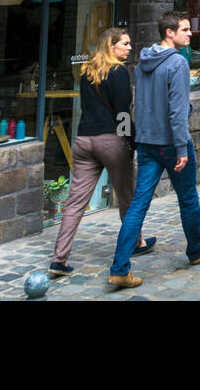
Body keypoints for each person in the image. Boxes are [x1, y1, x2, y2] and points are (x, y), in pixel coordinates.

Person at [108, 11, 200, 289]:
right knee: (187, 197)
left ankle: (120, 268)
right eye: (184, 29)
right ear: (168, 33)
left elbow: (142, 102)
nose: (190, 33)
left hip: (148, 143)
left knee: (138, 204)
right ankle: (196, 250)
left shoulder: (142, 61)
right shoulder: (178, 64)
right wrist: (181, 147)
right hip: (172, 143)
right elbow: (177, 111)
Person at [50, 28, 151, 277]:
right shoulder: (119, 73)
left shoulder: (88, 71)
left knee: (75, 203)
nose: (130, 48)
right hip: (110, 141)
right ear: (111, 46)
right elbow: (123, 113)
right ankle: (137, 243)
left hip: (84, 140)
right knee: (127, 197)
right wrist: (132, 143)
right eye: (125, 44)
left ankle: (59, 259)